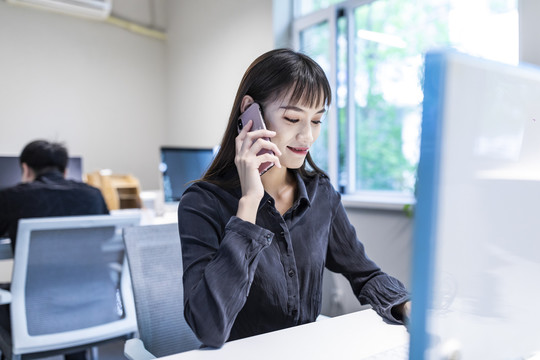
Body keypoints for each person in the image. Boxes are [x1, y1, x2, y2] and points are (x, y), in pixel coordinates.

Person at [178, 49, 411, 349]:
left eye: (316, 121)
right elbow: (208, 328)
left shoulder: (321, 194)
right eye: (292, 118)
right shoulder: (201, 203)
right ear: (250, 112)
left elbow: (365, 274)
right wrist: (249, 202)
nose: (308, 136)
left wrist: (406, 307)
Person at [0, 140, 109, 360]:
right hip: (93, 308)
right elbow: (106, 237)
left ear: (25, 168)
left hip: (34, 314)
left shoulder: (11, 197)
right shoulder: (93, 196)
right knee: (69, 284)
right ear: (65, 170)